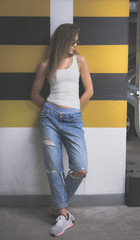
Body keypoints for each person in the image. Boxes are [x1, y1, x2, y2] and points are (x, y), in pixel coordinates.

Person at [31, 23, 93, 237]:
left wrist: (74, 109)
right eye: (73, 41)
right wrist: (51, 108)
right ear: (62, 40)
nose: (76, 45)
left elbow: (89, 91)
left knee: (80, 167)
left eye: (77, 42)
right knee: (54, 169)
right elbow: (35, 95)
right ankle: (64, 216)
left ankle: (58, 206)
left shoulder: (80, 60)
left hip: (73, 119)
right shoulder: (46, 65)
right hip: (49, 118)